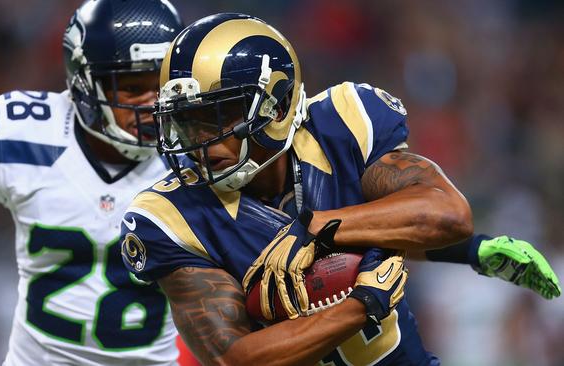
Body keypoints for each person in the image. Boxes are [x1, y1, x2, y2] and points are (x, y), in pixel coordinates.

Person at [120, 13, 561, 365]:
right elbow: (236, 358)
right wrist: (362, 303)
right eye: (187, 119)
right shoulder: (168, 216)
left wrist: (313, 230)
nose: (200, 139)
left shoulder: (342, 123)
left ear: (275, 105)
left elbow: (448, 213)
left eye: (218, 116)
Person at [0, 0, 194, 364]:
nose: (152, 103)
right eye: (131, 86)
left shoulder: (199, 159)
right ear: (85, 83)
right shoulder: (28, 136)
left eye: (161, 83)